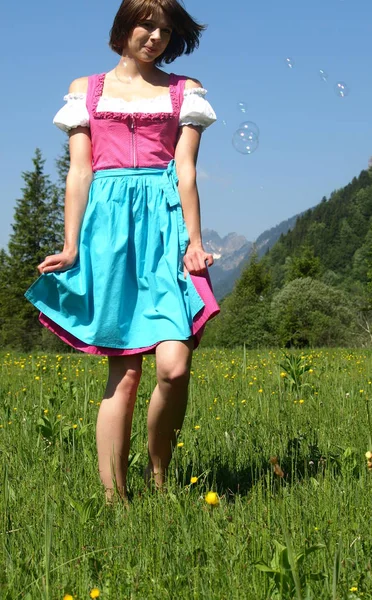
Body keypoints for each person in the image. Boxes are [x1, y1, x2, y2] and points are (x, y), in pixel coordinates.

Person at [24, 0, 220, 501]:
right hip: (108, 231)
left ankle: (159, 477)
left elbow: (186, 171)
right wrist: (71, 246)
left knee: (174, 366)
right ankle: (115, 498)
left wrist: (195, 244)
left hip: (164, 227)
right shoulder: (83, 90)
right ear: (124, 26)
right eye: (145, 24)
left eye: (164, 28)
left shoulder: (185, 91)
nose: (155, 36)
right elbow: (81, 171)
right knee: (126, 371)